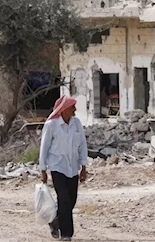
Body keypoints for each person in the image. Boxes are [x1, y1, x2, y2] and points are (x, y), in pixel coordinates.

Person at [39, 95, 88, 241]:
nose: (75, 110)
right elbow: (44, 148)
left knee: (71, 200)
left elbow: (82, 145)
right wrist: (43, 170)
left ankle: (56, 221)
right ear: (64, 109)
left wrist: (84, 166)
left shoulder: (77, 123)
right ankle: (67, 234)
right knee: (64, 198)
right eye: (72, 107)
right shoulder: (51, 125)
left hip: (73, 167)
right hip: (57, 167)